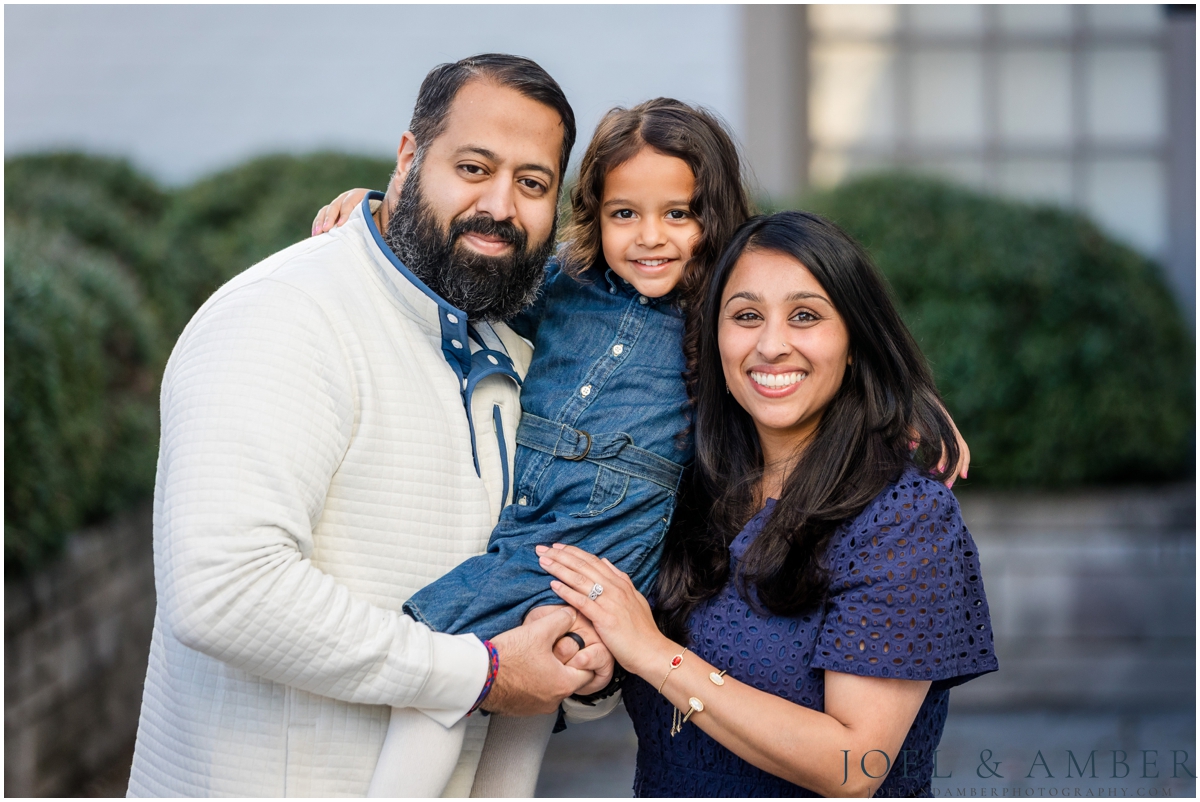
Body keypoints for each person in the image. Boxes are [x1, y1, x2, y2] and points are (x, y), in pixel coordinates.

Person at [126, 54, 613, 798]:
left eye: (533, 182)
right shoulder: (285, 316)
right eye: (474, 166)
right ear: (409, 158)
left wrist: (581, 670)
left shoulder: (517, 350)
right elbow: (223, 588)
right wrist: (478, 674)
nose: (501, 206)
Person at [318, 97, 756, 798]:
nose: (650, 237)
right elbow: (452, 275)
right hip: (531, 522)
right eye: (624, 214)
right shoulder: (564, 281)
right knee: (527, 690)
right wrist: (375, 208)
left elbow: (808, 362)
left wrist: (905, 411)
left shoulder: (727, 310)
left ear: (715, 214)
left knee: (444, 674)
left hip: (593, 544)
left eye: (678, 214)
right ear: (594, 213)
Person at [538, 210, 999, 797]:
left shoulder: (904, 518)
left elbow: (852, 764)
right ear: (716, 340)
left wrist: (654, 654)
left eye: (805, 316)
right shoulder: (681, 489)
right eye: (747, 316)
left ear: (855, 341)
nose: (771, 345)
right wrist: (595, 659)